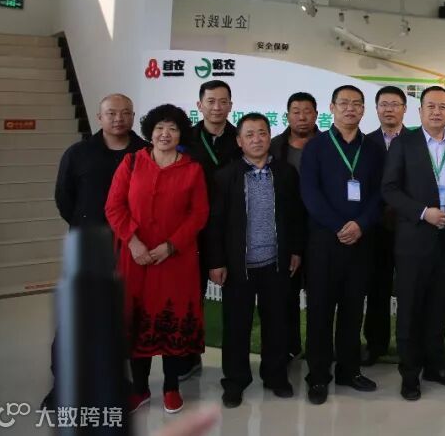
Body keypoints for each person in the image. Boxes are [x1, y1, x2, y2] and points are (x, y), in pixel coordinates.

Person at [43, 94, 147, 410]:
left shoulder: (145, 152)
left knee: (127, 317)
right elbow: (64, 198)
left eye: (125, 113)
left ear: (133, 117)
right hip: (89, 248)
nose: (118, 118)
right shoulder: (78, 154)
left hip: (132, 248)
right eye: (111, 113)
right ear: (99, 117)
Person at [105, 104, 209, 414]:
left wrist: (171, 245)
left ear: (181, 134)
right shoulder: (131, 162)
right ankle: (139, 389)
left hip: (175, 260)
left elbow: (199, 213)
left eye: (173, 129)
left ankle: (171, 387)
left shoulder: (192, 169)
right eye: (160, 128)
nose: (165, 134)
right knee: (137, 322)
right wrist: (133, 241)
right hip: (135, 259)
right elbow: (114, 207)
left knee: (171, 320)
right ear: (150, 132)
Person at [206, 113, 306, 408]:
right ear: (239, 141)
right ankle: (235, 381)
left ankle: (275, 376)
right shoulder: (226, 176)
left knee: (277, 323)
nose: (257, 139)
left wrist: (295, 250)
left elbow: (296, 217)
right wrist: (216, 261)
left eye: (262, 133)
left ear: (269, 136)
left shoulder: (286, 173)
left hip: (276, 263)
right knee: (236, 326)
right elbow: (215, 223)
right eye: (249, 134)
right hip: (239, 267)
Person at [300, 85, 386, 405]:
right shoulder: (316, 147)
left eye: (356, 104)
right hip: (324, 241)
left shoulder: (374, 149)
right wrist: (338, 225)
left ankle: (349, 370)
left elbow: (380, 194)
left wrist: (360, 224)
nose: (350, 108)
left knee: (353, 309)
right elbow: (310, 194)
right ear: (332, 108)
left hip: (361, 241)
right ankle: (318, 375)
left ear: (363, 110)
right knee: (320, 310)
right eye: (344, 103)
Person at [381, 86, 445, 401]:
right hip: (413, 239)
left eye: (443, 107)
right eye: (430, 106)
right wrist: (422, 212)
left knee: (438, 308)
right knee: (410, 309)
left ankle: (436, 366)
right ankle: (410, 374)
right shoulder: (403, 144)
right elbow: (389, 189)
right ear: (419, 112)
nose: (436, 112)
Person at [184, 80, 241, 380]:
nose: (217, 107)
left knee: (234, 301)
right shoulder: (185, 139)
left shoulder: (241, 138)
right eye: (210, 101)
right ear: (199, 105)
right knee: (190, 296)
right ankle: (189, 357)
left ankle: (234, 368)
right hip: (192, 230)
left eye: (223, 101)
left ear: (231, 105)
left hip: (232, 229)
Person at [268, 91, 319, 361]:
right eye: (296, 111)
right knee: (285, 293)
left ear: (317, 115)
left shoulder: (327, 145)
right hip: (285, 231)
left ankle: (317, 349)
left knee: (319, 294)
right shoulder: (274, 147)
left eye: (307, 111)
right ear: (287, 115)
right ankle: (290, 346)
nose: (302, 117)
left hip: (320, 230)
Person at [364, 85, 408, 366]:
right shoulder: (366, 143)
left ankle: (408, 344)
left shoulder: (417, 141)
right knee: (377, 288)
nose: (389, 109)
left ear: (405, 109)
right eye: (384, 104)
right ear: (377, 109)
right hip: (375, 228)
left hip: (409, 227)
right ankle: (376, 344)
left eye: (395, 104)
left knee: (409, 289)